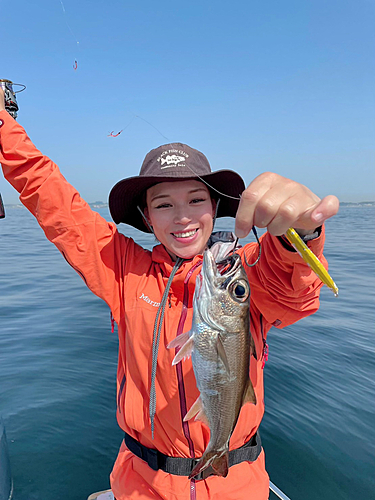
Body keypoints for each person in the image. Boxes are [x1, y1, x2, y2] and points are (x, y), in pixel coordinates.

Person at [0, 88, 339, 500]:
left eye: (196, 199)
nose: (182, 217)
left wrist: (301, 232)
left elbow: (292, 288)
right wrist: (4, 127)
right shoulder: (123, 269)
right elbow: (50, 195)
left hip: (237, 486)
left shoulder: (240, 272)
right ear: (145, 216)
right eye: (163, 204)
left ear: (215, 207)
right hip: (140, 485)